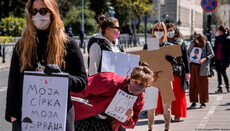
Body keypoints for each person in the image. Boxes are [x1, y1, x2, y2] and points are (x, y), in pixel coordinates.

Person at [5, 0, 88, 131]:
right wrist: (13, 117)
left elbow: (82, 82)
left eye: (43, 11)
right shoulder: (21, 46)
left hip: (59, 118)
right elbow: (13, 84)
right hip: (28, 118)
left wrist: (63, 77)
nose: (39, 15)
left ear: (53, 13)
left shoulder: (69, 44)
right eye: (34, 11)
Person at [72, 64, 153, 131]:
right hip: (83, 115)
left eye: (141, 85)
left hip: (105, 122)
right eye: (135, 82)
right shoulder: (110, 81)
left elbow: (132, 124)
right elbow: (81, 89)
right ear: (131, 78)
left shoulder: (139, 99)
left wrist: (127, 118)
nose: (136, 87)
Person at [143, 22, 173, 131]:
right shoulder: (148, 45)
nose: (158, 32)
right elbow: (143, 62)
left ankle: (167, 128)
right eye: (156, 29)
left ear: (164, 32)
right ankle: (150, 128)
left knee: (167, 107)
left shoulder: (169, 46)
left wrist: (169, 59)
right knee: (150, 106)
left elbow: (174, 63)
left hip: (165, 78)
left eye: (161, 30)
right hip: (152, 79)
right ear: (153, 31)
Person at [166, 23, 190, 122]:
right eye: (168, 30)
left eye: (172, 30)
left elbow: (185, 58)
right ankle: (167, 115)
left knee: (178, 94)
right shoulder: (163, 42)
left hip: (178, 72)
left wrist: (188, 72)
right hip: (166, 71)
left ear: (175, 31)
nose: (170, 32)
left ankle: (177, 115)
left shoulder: (181, 43)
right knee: (167, 94)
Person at [188, 33, 214, 109]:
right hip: (193, 66)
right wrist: (188, 58)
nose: (197, 42)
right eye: (195, 40)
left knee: (203, 85)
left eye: (198, 41)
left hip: (202, 66)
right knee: (193, 84)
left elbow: (212, 54)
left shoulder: (207, 43)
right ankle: (193, 102)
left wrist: (205, 59)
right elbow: (188, 52)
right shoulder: (192, 43)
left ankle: (203, 102)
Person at [214, 25, 230, 93]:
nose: (218, 32)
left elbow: (229, 51)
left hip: (224, 59)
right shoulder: (217, 38)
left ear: (221, 31)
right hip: (217, 58)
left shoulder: (227, 39)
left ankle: (227, 86)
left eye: (218, 30)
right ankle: (220, 87)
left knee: (223, 73)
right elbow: (215, 49)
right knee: (218, 73)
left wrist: (228, 61)